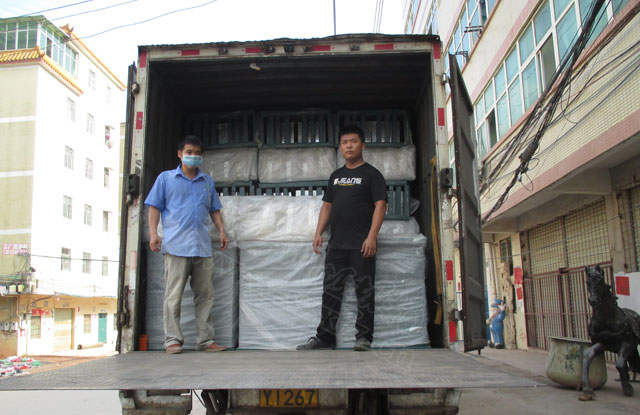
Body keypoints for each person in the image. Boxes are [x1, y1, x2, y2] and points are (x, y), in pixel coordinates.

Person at [297, 125, 387, 352]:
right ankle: (325, 338)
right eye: (345, 142)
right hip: (336, 245)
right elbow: (327, 206)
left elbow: (381, 205)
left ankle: (364, 337)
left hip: (362, 245)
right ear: (340, 147)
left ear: (362, 145)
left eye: (353, 141)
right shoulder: (335, 176)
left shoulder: (372, 174)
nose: (349, 146)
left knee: (364, 291)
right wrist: (318, 232)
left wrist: (372, 237)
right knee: (330, 292)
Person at [145, 135, 229, 354]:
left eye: (197, 153)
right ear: (179, 154)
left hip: (202, 247)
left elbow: (215, 210)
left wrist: (222, 231)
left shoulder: (206, 181)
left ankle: (206, 341)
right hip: (176, 246)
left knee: (206, 296)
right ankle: (172, 340)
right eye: (189, 152)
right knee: (173, 296)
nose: (193, 156)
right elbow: (154, 207)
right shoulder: (165, 179)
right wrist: (154, 234)